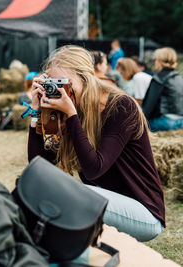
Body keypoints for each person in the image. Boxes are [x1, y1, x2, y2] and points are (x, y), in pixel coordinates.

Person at [28, 45, 165, 242]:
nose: (61, 91)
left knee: (68, 194)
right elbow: (39, 168)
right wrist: (37, 112)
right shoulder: (72, 105)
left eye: (65, 83)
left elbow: (94, 169)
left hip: (144, 214)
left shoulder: (121, 106)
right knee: (41, 187)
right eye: (54, 83)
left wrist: (71, 115)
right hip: (102, 201)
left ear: (85, 79)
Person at [142, 47, 183, 131]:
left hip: (166, 122)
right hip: (181, 121)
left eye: (156, 60)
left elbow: (149, 107)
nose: (155, 62)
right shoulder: (179, 78)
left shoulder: (159, 79)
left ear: (160, 62)